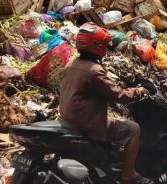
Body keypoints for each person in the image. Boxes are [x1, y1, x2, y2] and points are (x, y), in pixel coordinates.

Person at [59, 23, 152, 184]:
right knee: (133, 128)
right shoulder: (94, 70)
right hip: (87, 123)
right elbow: (117, 94)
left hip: (69, 119)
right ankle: (129, 174)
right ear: (95, 45)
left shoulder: (71, 64)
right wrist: (139, 92)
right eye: (103, 44)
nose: (105, 47)